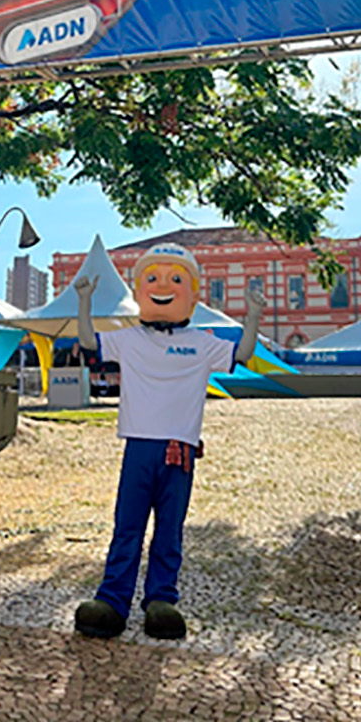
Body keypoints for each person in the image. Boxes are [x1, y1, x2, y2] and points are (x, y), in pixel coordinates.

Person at [72, 242, 264, 641]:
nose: (163, 286)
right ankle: (112, 600)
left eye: (175, 279)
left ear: (193, 293)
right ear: (138, 290)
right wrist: (84, 302)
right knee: (128, 525)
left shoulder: (200, 342)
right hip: (138, 447)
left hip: (180, 450)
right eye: (153, 278)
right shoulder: (129, 338)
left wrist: (254, 315)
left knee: (169, 528)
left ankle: (162, 599)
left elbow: (242, 355)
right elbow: (90, 343)